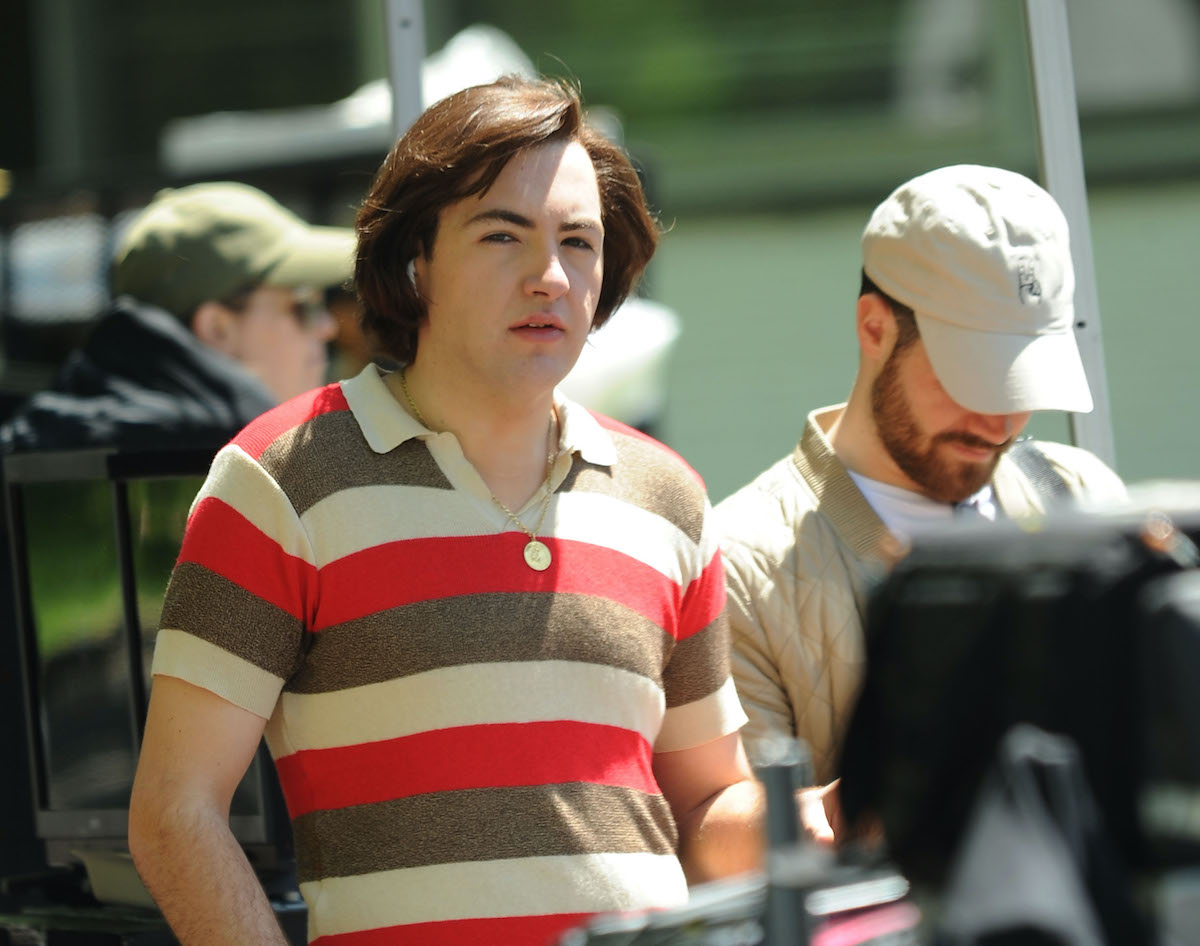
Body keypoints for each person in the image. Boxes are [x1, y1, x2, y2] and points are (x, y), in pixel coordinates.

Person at [128, 76, 763, 946]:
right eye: (504, 234)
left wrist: (847, 807)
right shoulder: (277, 482)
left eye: (579, 241)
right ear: (414, 260)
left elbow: (709, 800)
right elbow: (173, 813)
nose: (550, 275)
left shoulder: (669, 496)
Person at [715, 164, 1127, 839]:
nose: (1000, 422)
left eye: (1022, 384)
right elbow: (739, 863)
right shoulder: (739, 568)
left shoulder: (1081, 495)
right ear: (874, 329)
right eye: (975, 377)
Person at [0, 181, 348, 452]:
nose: (327, 326)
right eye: (303, 305)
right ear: (218, 329)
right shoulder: (227, 470)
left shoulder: (40, 444)